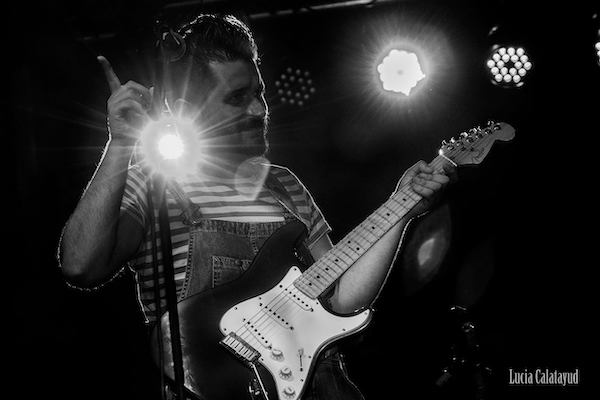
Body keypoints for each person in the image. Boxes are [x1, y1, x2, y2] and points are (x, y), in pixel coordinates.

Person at [58, 13, 454, 400]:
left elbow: (340, 298)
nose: (258, 110)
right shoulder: (151, 183)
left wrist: (403, 208)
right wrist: (121, 144)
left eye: (258, 92)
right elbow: (80, 265)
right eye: (237, 98)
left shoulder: (285, 185)